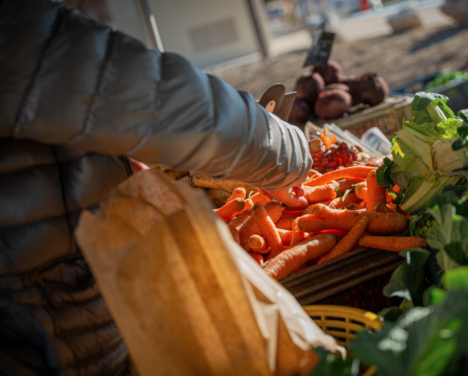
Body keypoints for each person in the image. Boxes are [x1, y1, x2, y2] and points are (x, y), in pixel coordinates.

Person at [0, 0, 312, 374]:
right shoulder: (15, 24)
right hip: (41, 325)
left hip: (56, 309)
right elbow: (159, 99)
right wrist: (288, 153)